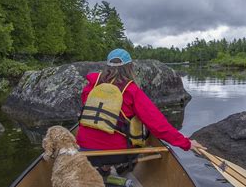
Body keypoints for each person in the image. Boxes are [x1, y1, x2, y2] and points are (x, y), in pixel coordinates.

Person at [76, 48, 205, 171]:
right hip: (116, 154)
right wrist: (186, 144)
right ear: (130, 67)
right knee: (139, 133)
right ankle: (112, 166)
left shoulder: (92, 85)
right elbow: (158, 125)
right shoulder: (131, 90)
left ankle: (104, 169)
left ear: (107, 67)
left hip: (84, 149)